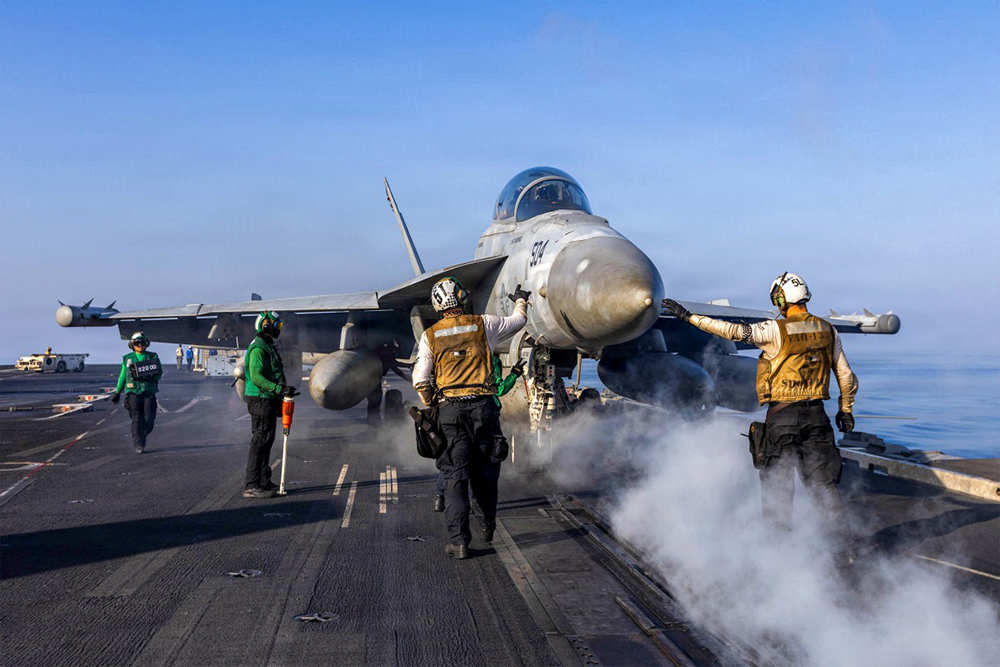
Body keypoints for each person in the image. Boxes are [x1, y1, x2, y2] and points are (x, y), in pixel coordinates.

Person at [663, 272, 858, 546]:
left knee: (777, 488)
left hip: (783, 418)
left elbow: (730, 331)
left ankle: (779, 552)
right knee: (823, 487)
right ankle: (844, 549)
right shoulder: (829, 330)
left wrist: (689, 317)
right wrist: (846, 411)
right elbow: (846, 376)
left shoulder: (774, 331)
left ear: (781, 299)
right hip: (818, 417)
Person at [413, 277, 529, 559]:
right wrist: (521, 300)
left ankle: (459, 543)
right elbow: (518, 321)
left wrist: (433, 404)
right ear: (462, 298)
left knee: (454, 477)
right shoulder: (484, 324)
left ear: (437, 305)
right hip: (483, 409)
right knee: (486, 472)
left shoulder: (430, 336)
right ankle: (487, 527)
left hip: (450, 411)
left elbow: (420, 380)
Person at [433, 354, 525, 512]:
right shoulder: (490, 359)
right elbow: (500, 389)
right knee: (481, 459)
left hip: (453, 412)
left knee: (454, 457)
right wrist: (514, 373)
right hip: (482, 415)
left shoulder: (451, 357)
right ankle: (477, 506)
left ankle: (441, 497)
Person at [242, 310, 298, 499]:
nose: (278, 330)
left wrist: (282, 390)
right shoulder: (258, 348)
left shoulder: (268, 346)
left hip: (268, 399)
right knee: (260, 442)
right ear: (266, 326)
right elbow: (256, 377)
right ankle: (252, 485)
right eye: (277, 326)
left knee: (267, 441)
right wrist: (278, 389)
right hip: (260, 399)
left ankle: (264, 481)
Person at [111, 332, 163, 454]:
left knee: (149, 420)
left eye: (142, 343)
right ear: (132, 345)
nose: (140, 345)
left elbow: (159, 374)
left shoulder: (152, 357)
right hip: (133, 392)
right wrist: (117, 392)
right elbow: (123, 376)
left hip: (148, 392)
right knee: (136, 418)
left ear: (146, 344)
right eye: (137, 343)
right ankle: (138, 444)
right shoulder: (128, 358)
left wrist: (151, 376)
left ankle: (142, 436)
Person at [366, 342, 412, 431]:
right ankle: (373, 427)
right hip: (372, 380)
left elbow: (395, 368)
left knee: (374, 404)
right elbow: (394, 364)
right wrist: (409, 365)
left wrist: (407, 378)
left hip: (373, 379)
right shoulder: (385, 352)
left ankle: (374, 426)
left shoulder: (385, 352)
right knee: (374, 403)